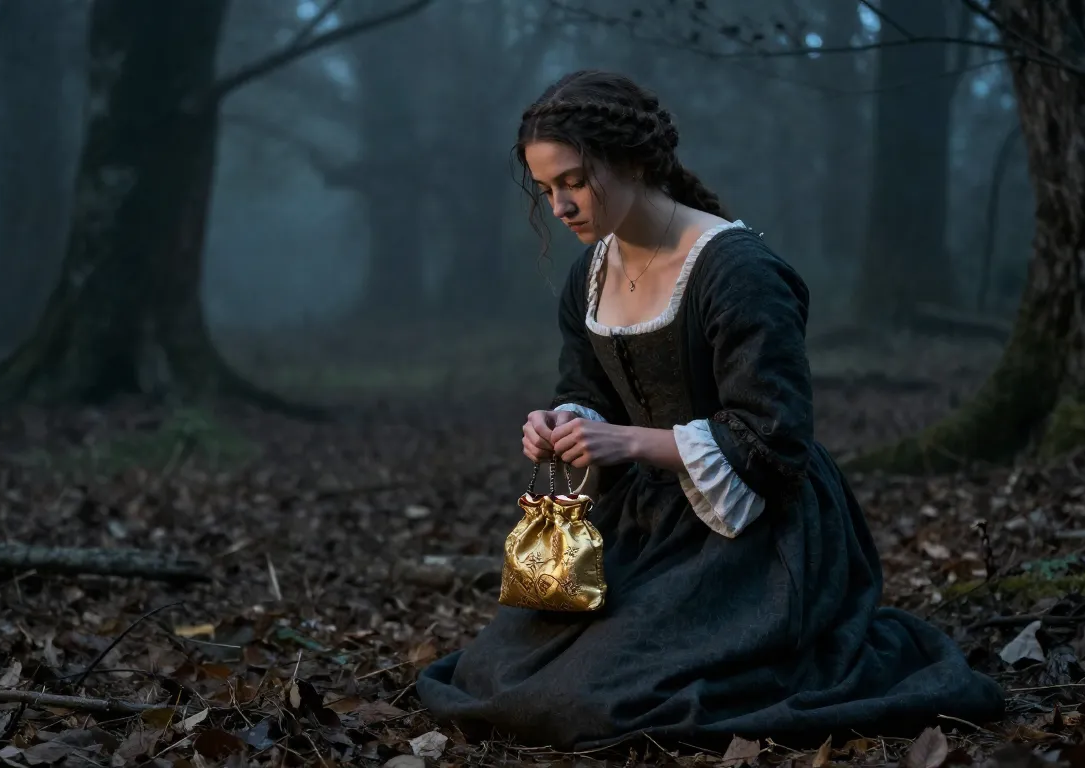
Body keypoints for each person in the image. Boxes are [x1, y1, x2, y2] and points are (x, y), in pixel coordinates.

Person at [414, 69, 1005, 753]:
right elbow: (587, 390)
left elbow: (776, 442)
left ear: (635, 161)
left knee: (599, 697)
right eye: (547, 189)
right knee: (496, 670)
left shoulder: (738, 272)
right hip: (641, 524)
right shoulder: (591, 273)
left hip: (755, 532)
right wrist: (561, 424)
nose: (560, 208)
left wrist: (630, 444)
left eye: (574, 181)